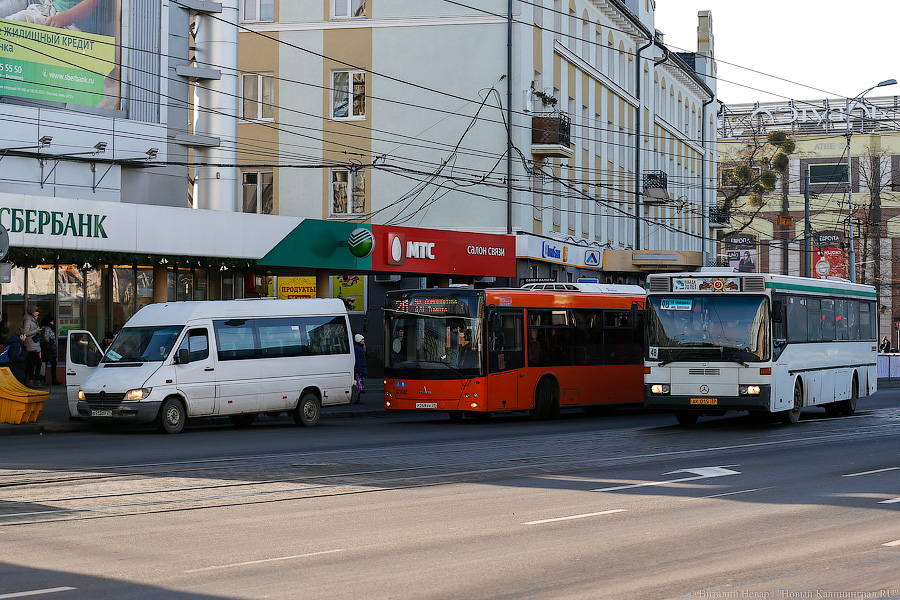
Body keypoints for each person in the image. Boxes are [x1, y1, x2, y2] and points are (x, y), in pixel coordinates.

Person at [22, 305, 44, 388]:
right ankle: (36, 380)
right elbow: (26, 332)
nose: (37, 312)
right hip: (31, 344)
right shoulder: (28, 320)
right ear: (32, 312)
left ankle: (31, 381)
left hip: (35, 344)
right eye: (36, 311)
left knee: (31, 364)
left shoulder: (33, 320)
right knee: (38, 363)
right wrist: (36, 330)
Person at [40, 315, 61, 385]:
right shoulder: (47, 328)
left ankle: (43, 380)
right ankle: (53, 380)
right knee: (53, 364)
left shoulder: (42, 328)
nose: (53, 323)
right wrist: (51, 341)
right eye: (52, 321)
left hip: (45, 349)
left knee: (44, 365)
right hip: (49, 349)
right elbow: (46, 337)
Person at [353, 333, 367, 405]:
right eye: (362, 339)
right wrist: (359, 370)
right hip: (359, 368)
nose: (363, 341)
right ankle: (357, 398)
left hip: (361, 367)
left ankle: (358, 398)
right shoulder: (358, 348)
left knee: (359, 384)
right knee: (359, 384)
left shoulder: (359, 347)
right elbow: (358, 359)